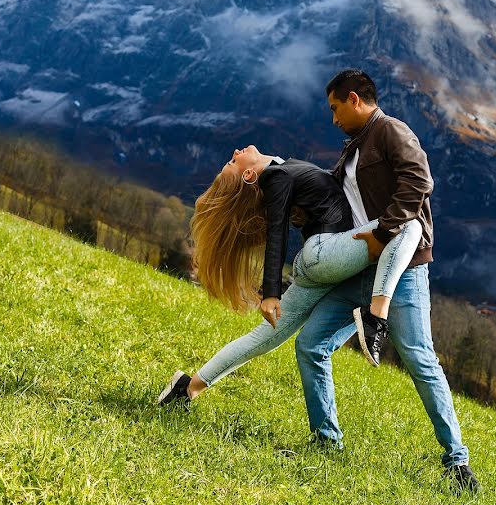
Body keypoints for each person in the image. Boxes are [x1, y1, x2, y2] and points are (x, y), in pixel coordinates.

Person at [293, 69, 480, 493]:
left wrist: (382, 234)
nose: (333, 118)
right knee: (311, 344)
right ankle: (327, 442)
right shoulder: (351, 149)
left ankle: (457, 462)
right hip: (359, 268)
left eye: (335, 108)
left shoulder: (392, 132)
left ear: (355, 99)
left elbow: (419, 182)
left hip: (405, 268)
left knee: (418, 358)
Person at [156, 144, 423, 405]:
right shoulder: (275, 176)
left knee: (263, 339)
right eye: (233, 162)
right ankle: (375, 317)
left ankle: (187, 389)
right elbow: (277, 234)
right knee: (407, 223)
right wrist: (271, 293)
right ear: (249, 175)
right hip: (324, 255)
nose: (235, 153)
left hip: (322, 260)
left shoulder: (282, 169)